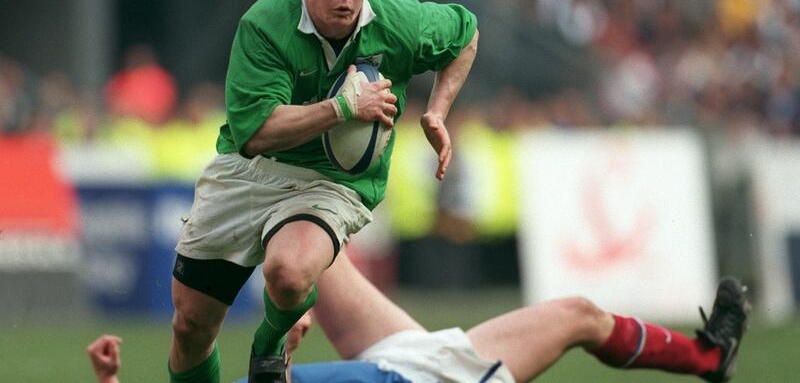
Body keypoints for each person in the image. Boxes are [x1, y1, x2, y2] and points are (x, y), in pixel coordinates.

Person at [168, 0, 479, 382]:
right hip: (249, 170)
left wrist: (437, 110)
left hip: (333, 182)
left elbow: (466, 32)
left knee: (290, 273)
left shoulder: (397, 21)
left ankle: (270, 345)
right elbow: (257, 133)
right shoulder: (265, 23)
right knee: (190, 326)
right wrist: (343, 108)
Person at [91, 252, 750, 383]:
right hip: (432, 380)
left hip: (389, 361)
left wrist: (110, 382)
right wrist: (281, 348)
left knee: (305, 245)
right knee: (579, 316)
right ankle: (708, 358)